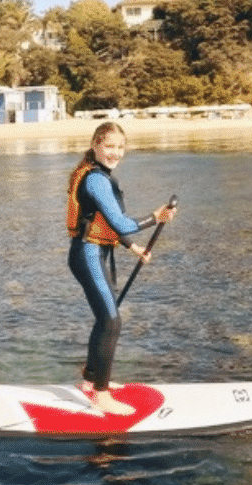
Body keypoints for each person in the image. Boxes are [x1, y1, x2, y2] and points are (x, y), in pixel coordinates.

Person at [67, 122, 176, 416]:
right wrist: (156, 217)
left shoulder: (98, 175)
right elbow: (122, 223)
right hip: (88, 255)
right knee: (111, 322)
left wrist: (133, 247)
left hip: (96, 253)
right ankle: (100, 395)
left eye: (120, 147)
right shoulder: (96, 180)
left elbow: (101, 223)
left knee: (105, 319)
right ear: (95, 145)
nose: (115, 153)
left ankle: (91, 382)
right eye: (109, 146)